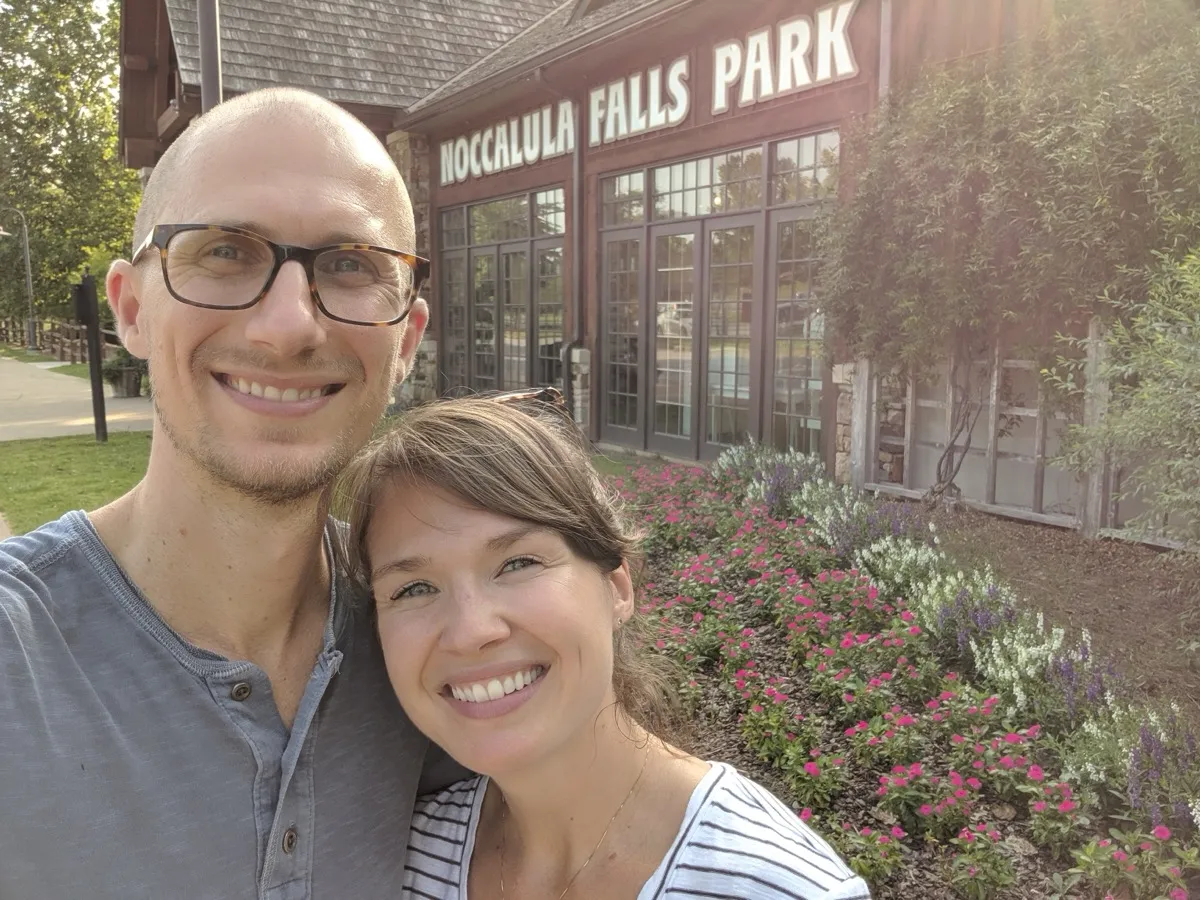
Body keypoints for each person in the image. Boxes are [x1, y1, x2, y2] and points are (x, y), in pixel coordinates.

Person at [0, 87, 466, 898]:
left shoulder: (430, 644)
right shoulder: (17, 667)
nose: (288, 326)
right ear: (132, 310)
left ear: (407, 343)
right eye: (224, 252)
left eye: (351, 264)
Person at [341, 393, 872, 900]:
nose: (470, 630)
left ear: (617, 588)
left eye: (518, 563)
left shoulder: (779, 887)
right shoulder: (405, 859)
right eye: (413, 589)